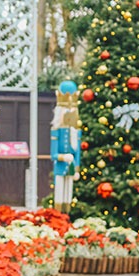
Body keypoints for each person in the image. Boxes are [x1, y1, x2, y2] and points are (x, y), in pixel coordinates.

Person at [50, 80, 80, 213]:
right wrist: (63, 157)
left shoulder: (76, 131)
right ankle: (58, 214)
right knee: (59, 192)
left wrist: (77, 168)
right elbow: (53, 154)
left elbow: (77, 152)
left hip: (71, 168)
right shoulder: (56, 131)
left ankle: (67, 214)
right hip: (60, 167)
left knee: (69, 192)